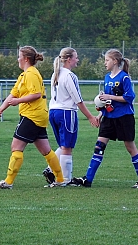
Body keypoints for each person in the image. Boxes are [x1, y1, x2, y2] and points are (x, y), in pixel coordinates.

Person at [0, 46, 66, 189]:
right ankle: (60, 179)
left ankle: (8, 182)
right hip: (38, 115)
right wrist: (0, 109)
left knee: (16, 147)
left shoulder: (31, 74)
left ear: (25, 59)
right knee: (46, 150)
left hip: (32, 115)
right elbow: (13, 95)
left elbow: (36, 94)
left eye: (19, 56)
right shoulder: (24, 75)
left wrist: (18, 101)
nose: (17, 59)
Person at [72, 48, 138, 188]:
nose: (105, 63)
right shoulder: (107, 77)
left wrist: (110, 97)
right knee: (99, 146)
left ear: (115, 61)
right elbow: (107, 102)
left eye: (107, 60)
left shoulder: (124, 77)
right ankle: (88, 179)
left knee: (130, 147)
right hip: (108, 117)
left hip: (124, 117)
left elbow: (129, 97)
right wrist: (99, 114)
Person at [41, 47, 100, 185]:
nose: (77, 60)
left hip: (54, 111)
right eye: (76, 57)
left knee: (63, 145)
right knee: (67, 147)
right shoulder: (69, 76)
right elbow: (77, 100)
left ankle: (50, 169)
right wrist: (91, 117)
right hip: (66, 113)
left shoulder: (56, 73)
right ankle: (65, 179)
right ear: (68, 59)